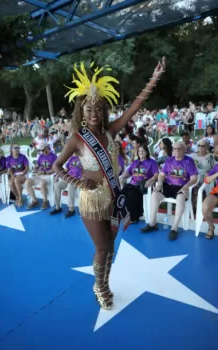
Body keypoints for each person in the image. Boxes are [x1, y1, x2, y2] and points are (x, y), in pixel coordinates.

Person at [53, 59, 166, 310]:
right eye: (89, 109)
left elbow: (135, 107)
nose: (94, 113)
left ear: (103, 111)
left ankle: (104, 282)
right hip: (91, 201)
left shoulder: (111, 131)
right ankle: (100, 286)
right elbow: (56, 166)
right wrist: (77, 182)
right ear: (81, 112)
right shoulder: (77, 140)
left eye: (98, 108)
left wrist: (154, 77)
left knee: (111, 248)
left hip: (115, 198)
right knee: (102, 247)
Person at [141, 141, 198, 240]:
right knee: (155, 194)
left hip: (182, 186)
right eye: (175, 148)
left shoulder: (189, 161)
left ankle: (174, 228)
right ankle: (152, 223)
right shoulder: (169, 160)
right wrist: (159, 183)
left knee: (180, 198)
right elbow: (162, 175)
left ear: (184, 150)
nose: (177, 151)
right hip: (168, 185)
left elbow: (194, 178)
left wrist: (186, 186)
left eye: (179, 148)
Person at [120, 144, 158, 223]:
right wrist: (121, 178)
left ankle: (134, 217)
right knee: (122, 193)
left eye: (143, 151)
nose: (141, 152)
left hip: (143, 185)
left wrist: (151, 180)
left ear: (147, 152)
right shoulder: (135, 162)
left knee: (131, 194)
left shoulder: (152, 162)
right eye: (139, 151)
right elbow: (128, 172)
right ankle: (125, 215)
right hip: (132, 184)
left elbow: (156, 175)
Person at [25, 141, 57, 210]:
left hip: (49, 176)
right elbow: (37, 165)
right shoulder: (41, 156)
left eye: (43, 150)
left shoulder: (53, 156)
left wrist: (44, 172)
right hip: (40, 175)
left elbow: (54, 170)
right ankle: (34, 201)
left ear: (47, 147)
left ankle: (45, 201)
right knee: (27, 182)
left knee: (42, 182)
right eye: (41, 150)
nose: (42, 152)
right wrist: (35, 169)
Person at [189, 140, 214, 214]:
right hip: (194, 177)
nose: (200, 147)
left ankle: (198, 209)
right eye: (199, 145)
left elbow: (213, 169)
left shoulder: (210, 157)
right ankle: (193, 208)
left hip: (205, 178)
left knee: (198, 189)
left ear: (206, 147)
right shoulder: (192, 156)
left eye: (202, 146)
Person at [202, 162, 218, 239]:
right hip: (217, 192)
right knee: (205, 207)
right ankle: (211, 227)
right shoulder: (216, 166)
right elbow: (207, 180)